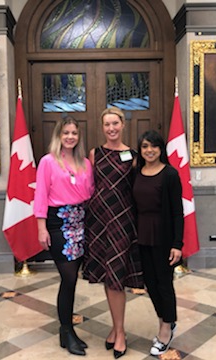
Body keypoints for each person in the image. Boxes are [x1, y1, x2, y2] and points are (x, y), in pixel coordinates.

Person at [83, 106, 144, 359]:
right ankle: (115, 327)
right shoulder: (95, 154)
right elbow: (89, 186)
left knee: (117, 278)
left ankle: (120, 333)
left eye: (115, 124)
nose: (111, 129)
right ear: (102, 127)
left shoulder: (134, 156)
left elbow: (139, 190)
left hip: (122, 221)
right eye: (107, 124)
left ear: (123, 125)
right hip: (98, 222)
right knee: (108, 277)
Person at [34, 116, 94, 356]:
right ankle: (67, 329)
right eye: (66, 133)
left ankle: (66, 332)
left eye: (74, 133)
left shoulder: (85, 163)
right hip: (58, 223)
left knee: (74, 279)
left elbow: (90, 194)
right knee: (68, 278)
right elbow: (40, 195)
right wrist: (41, 227)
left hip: (81, 221)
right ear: (59, 135)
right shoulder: (48, 162)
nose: (70, 137)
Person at [132, 130, 184, 357]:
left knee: (164, 284)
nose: (149, 150)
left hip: (163, 238)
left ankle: (165, 330)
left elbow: (177, 213)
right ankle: (167, 320)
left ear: (161, 149)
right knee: (149, 284)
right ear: (140, 150)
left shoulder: (170, 174)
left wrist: (177, 244)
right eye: (144, 146)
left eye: (153, 146)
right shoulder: (136, 173)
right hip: (142, 235)